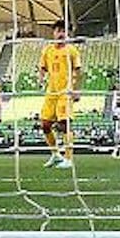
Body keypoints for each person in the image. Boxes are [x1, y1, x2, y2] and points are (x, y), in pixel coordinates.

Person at [37, 25, 81, 168]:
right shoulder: (47, 50)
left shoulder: (71, 50)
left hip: (65, 92)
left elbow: (78, 71)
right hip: (51, 92)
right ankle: (55, 154)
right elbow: (42, 68)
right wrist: (41, 78)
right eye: (58, 31)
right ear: (54, 33)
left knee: (64, 124)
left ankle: (68, 159)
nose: (61, 34)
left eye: (64, 31)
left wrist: (76, 90)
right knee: (45, 125)